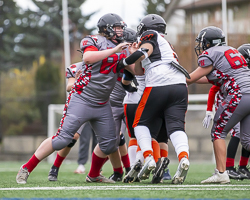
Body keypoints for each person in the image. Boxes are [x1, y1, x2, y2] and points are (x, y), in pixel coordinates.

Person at [16, 13, 133, 184]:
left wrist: (139, 54)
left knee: (109, 145)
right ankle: (26, 167)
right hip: (82, 99)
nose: (120, 31)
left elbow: (134, 70)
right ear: (106, 28)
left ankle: (93, 175)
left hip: (102, 104)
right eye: (117, 28)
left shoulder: (122, 49)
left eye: (122, 28)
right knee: (63, 139)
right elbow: (88, 57)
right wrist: (115, 51)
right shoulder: (92, 40)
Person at [117, 14, 190, 184]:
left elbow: (144, 52)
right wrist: (136, 55)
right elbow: (142, 68)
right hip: (180, 86)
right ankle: (184, 158)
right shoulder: (167, 45)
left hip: (159, 83)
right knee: (176, 128)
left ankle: (148, 157)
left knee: (140, 124)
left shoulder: (150, 35)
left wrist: (126, 60)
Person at [186, 26, 250, 184]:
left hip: (239, 94)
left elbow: (190, 78)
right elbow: (207, 77)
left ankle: (222, 173)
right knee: (247, 141)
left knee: (218, 132)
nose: (201, 47)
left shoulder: (211, 53)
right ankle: (222, 172)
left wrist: (175, 75)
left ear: (208, 43)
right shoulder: (231, 51)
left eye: (203, 43)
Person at [47, 62, 97, 181]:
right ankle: (55, 167)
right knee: (72, 137)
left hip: (101, 105)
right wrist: (78, 80)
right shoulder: (76, 67)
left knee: (109, 139)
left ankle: (116, 170)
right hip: (81, 105)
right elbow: (69, 87)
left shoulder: (107, 64)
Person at [203, 84, 248, 180]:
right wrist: (208, 111)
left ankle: (242, 167)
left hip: (240, 104)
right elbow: (213, 88)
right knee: (237, 133)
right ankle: (229, 167)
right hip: (228, 105)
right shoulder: (231, 76)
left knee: (246, 134)